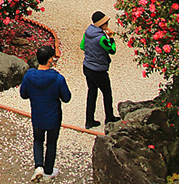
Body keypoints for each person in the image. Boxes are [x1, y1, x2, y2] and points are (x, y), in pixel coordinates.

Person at [20, 46, 71, 182]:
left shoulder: (29, 76)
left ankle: (38, 167)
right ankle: (48, 171)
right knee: (51, 144)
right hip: (53, 117)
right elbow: (66, 98)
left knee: (38, 140)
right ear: (49, 60)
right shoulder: (58, 78)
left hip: (37, 115)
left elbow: (23, 95)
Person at [81, 10, 119, 129]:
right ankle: (109, 117)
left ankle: (89, 120)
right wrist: (111, 37)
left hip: (87, 67)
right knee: (107, 93)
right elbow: (112, 50)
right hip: (98, 70)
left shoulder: (87, 32)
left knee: (92, 93)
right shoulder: (101, 38)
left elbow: (82, 46)